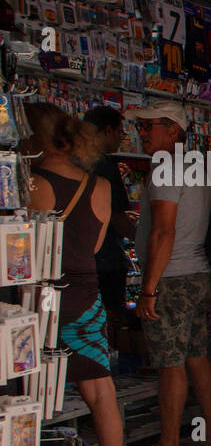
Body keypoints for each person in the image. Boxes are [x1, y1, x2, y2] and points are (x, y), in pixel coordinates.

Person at [23, 104, 136, 446]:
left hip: (39, 301)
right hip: (86, 300)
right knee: (101, 393)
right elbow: (92, 246)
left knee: (28, 400)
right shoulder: (100, 186)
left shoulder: (34, 183)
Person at [122, 102, 211, 446]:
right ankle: (210, 433)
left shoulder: (166, 169)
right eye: (142, 127)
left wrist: (148, 288)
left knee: (170, 363)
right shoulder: (194, 164)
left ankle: (168, 445)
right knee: (196, 356)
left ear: (173, 130)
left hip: (172, 278)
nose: (142, 133)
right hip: (196, 273)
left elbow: (164, 232)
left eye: (150, 127)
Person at [84, 106, 136, 321]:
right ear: (108, 131)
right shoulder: (105, 166)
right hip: (107, 260)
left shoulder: (72, 163)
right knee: (112, 320)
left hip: (80, 260)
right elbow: (117, 217)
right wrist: (141, 239)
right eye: (120, 133)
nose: (121, 139)